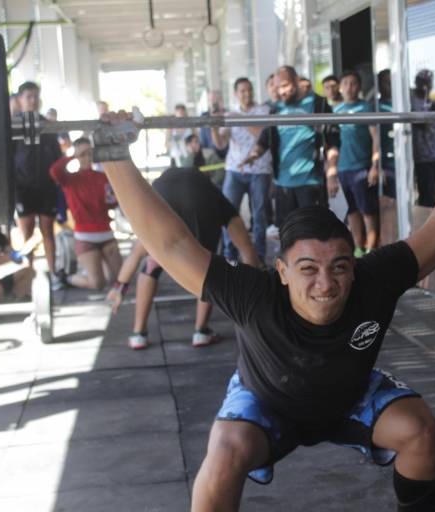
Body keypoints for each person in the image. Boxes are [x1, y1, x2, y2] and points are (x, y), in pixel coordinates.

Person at [97, 106, 435, 511]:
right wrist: (115, 156)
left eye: (339, 267)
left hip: (349, 395)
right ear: (282, 271)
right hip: (265, 401)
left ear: (353, 266)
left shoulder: (376, 277)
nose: (326, 283)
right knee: (224, 452)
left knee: (420, 430)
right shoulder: (253, 294)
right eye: (308, 269)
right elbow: (170, 243)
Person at [106, 167, 260, 350]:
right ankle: (201, 332)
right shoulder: (213, 193)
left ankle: (139, 334)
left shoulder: (164, 186)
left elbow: (136, 253)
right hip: (200, 202)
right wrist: (257, 291)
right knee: (207, 268)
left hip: (162, 196)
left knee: (151, 263)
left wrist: (120, 287)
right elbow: (246, 247)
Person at [244, 65, 340, 225]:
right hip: (283, 185)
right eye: (277, 88)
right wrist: (253, 155)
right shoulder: (276, 109)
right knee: (287, 232)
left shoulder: (319, 104)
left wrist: (332, 173)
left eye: (285, 85)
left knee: (313, 229)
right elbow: (265, 139)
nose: (281, 92)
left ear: (297, 80)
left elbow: (333, 141)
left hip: (311, 182)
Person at [211, 77, 273, 263]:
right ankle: (230, 255)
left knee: (259, 215)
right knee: (228, 213)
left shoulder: (264, 110)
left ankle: (259, 256)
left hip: (260, 169)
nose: (247, 94)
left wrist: (239, 119)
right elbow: (221, 144)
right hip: (234, 170)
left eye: (249, 89)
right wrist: (213, 126)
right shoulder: (231, 114)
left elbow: (262, 134)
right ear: (236, 94)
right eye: (243, 91)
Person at [49, 137, 122, 290]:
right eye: (83, 154)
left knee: (118, 279)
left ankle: (97, 268)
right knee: (97, 284)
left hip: (106, 233)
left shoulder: (103, 177)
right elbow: (54, 170)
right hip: (85, 237)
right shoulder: (69, 179)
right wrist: (72, 155)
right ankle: (66, 278)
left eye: (90, 153)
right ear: (76, 156)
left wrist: (114, 197)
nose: (87, 157)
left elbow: (112, 203)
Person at [12, 81, 63, 289]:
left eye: (35, 96)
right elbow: (8, 157)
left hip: (46, 187)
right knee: (27, 233)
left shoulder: (47, 126)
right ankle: (28, 276)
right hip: (23, 188)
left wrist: (58, 180)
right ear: (20, 99)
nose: (32, 100)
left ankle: (53, 273)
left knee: (48, 230)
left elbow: (58, 156)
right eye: (28, 96)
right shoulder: (12, 125)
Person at [333, 71, 381, 256]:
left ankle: (371, 250)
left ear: (359, 87)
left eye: (353, 83)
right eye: (345, 83)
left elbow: (376, 138)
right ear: (340, 87)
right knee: (351, 211)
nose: (349, 87)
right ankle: (358, 248)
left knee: (367, 211)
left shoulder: (366, 108)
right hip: (342, 169)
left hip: (362, 168)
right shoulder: (336, 111)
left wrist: (375, 166)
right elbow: (331, 144)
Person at [410, 69, 435, 207]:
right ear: (416, 83)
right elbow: (418, 123)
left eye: (428, 82)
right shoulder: (410, 102)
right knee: (427, 196)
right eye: (422, 82)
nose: (425, 86)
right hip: (423, 158)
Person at [377, 69, 396, 198]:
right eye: (386, 82)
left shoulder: (404, 104)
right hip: (386, 164)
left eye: (392, 82)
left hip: (406, 160)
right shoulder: (376, 107)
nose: (390, 86)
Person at [166, 103, 194, 168]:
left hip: (189, 155)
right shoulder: (170, 128)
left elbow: (196, 139)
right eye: (179, 113)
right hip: (175, 157)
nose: (181, 115)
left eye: (183, 113)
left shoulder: (191, 126)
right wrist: (175, 143)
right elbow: (166, 144)